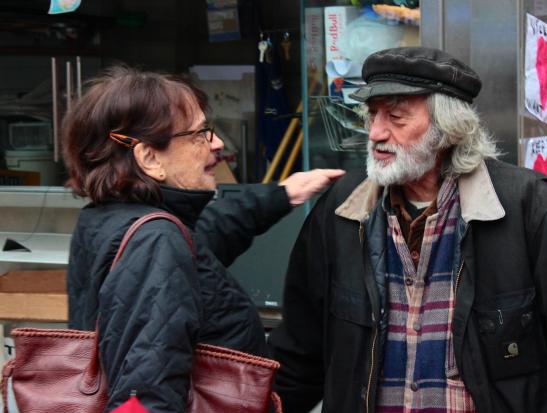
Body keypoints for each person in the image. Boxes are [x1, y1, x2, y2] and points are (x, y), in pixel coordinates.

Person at [268, 47, 547, 413]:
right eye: (372, 115)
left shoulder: (527, 209)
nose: (375, 132)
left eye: (396, 117)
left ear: (446, 129)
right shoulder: (341, 212)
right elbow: (298, 355)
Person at [62, 66, 344, 412]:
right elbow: (146, 396)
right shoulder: (155, 240)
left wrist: (280, 195)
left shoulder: (111, 219)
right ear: (149, 157)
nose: (217, 143)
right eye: (199, 134)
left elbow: (200, 242)